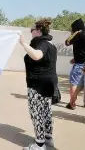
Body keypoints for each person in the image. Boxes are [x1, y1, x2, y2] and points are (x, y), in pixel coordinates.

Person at [19, 19, 57, 150]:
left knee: (37, 113)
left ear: (39, 31)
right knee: (46, 112)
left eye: (32, 30)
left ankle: (39, 144)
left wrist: (23, 44)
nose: (30, 32)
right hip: (47, 84)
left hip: (38, 85)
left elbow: (37, 56)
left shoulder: (42, 43)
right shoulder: (50, 44)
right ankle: (48, 139)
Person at [65, 18, 85, 110]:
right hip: (81, 62)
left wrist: (74, 33)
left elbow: (67, 42)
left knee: (74, 84)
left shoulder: (78, 34)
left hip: (80, 65)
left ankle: (72, 104)